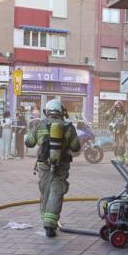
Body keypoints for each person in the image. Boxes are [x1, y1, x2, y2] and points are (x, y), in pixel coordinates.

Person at [25, 99, 80, 237]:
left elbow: (29, 142)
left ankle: (46, 220)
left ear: (48, 111)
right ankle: (50, 224)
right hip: (61, 166)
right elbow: (76, 147)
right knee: (56, 192)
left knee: (45, 192)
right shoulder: (68, 127)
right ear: (62, 111)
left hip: (44, 165)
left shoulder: (40, 125)